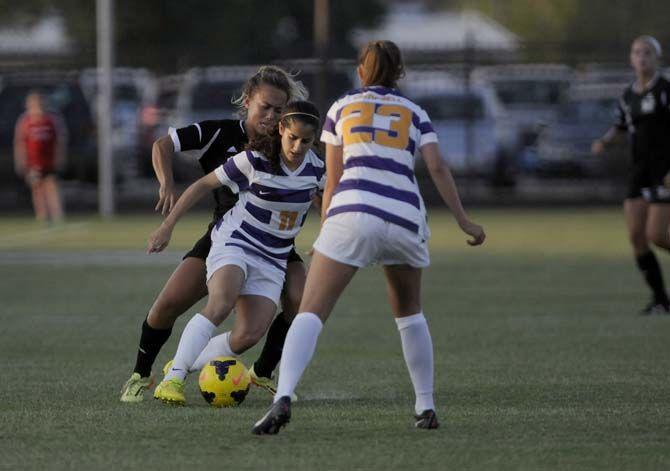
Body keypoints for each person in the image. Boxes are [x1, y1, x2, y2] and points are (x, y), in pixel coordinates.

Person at [252, 40, 485, 435]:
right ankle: (425, 406)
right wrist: (464, 220)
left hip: (353, 213)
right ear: (399, 73)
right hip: (404, 215)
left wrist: (327, 230)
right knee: (410, 313)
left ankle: (283, 397)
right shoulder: (415, 112)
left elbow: (334, 179)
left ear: (361, 71)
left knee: (310, 311)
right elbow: (438, 168)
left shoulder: (341, 108)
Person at [120, 67, 310, 402]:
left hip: (276, 244)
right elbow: (163, 144)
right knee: (166, 306)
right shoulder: (220, 133)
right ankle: (140, 374)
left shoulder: (289, 144)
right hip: (225, 239)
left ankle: (262, 372)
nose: (271, 115)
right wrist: (166, 183)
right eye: (265, 106)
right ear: (248, 100)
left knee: (301, 300)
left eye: (279, 110)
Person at [592, 36, 670, 315]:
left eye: (647, 52)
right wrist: (604, 141)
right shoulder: (628, 95)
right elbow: (621, 126)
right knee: (637, 236)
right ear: (631, 58)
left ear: (657, 58)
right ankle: (661, 299)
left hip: (664, 172)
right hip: (639, 171)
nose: (642, 57)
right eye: (637, 52)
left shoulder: (665, 90)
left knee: (658, 235)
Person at [13, 91, 67, 224]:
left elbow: (60, 141)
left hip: (49, 161)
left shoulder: (51, 120)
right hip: (33, 162)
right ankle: (42, 215)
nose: (37, 107)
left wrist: (59, 157)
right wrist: (20, 161)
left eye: (39, 104)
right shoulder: (25, 121)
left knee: (51, 185)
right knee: (37, 188)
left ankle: (57, 214)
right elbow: (19, 142)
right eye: (33, 104)